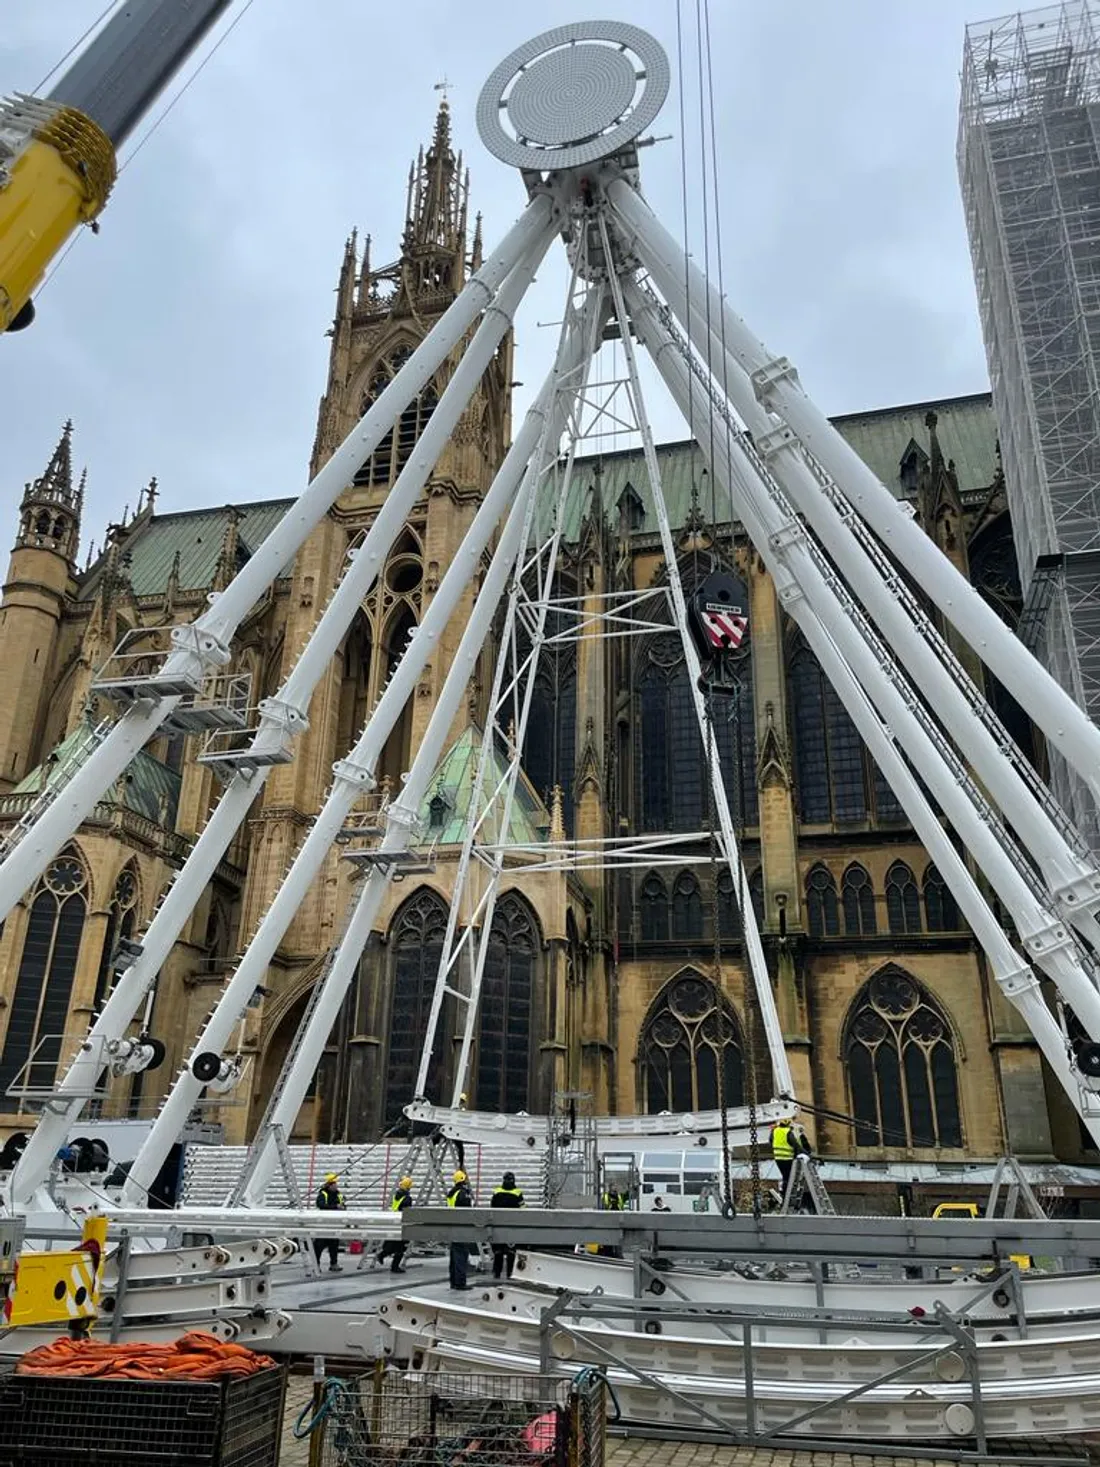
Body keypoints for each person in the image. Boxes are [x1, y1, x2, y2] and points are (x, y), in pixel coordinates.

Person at [490, 1170, 524, 1279]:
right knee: (511, 1252)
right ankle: (510, 1274)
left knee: (498, 1252)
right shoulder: (518, 1193)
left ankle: (497, 1273)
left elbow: (491, 1208)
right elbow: (523, 1210)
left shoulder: (497, 1192)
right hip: (512, 1227)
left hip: (498, 1227)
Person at [379, 1175, 413, 1273]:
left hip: (395, 1220)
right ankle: (394, 1266)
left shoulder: (397, 1195)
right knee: (401, 1246)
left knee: (393, 1243)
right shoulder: (407, 1198)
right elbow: (407, 1211)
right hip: (402, 1222)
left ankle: (382, 1255)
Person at [771, 1120, 811, 1202]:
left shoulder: (775, 1131)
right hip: (788, 1158)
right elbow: (796, 1145)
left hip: (778, 1158)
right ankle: (786, 1196)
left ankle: (785, 1194)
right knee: (789, 1178)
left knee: (786, 1177)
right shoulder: (788, 1132)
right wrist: (807, 1154)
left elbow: (771, 1141)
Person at [446, 1168, 473, 1289]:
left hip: (452, 1225)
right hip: (461, 1227)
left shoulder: (452, 1193)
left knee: (454, 1255)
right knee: (462, 1255)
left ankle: (453, 1282)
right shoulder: (463, 1193)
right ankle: (460, 1283)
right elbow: (467, 1211)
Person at [314, 1172, 345, 1271]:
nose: (336, 1186)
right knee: (319, 1245)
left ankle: (334, 1264)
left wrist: (342, 1207)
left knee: (334, 1245)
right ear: (329, 1185)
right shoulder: (323, 1194)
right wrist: (335, 1207)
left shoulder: (339, 1194)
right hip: (324, 1224)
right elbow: (321, 1205)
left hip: (334, 1224)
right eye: (334, 1184)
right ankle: (316, 1265)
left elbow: (343, 1205)